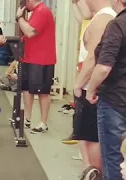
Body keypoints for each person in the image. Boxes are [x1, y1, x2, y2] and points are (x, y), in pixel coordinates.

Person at [73, 0, 116, 178]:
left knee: (94, 141)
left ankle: (96, 173)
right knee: (85, 132)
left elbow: (94, 58)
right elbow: (84, 14)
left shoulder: (104, 19)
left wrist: (79, 84)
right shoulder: (102, 17)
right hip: (93, 87)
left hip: (93, 88)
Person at [86, 0, 126, 179]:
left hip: (115, 100)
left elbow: (103, 67)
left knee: (111, 157)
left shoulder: (117, 25)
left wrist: (90, 89)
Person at [16, 0, 56, 134]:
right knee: (27, 89)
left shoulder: (42, 11)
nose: (24, 6)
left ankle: (43, 123)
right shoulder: (35, 12)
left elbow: (30, 32)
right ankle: (27, 119)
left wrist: (19, 18)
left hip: (41, 59)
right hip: (30, 57)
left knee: (42, 91)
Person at [62, 0, 93, 147]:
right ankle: (78, 132)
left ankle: (81, 134)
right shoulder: (90, 22)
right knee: (79, 102)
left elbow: (87, 13)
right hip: (83, 59)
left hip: (89, 61)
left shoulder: (99, 14)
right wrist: (74, 4)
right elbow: (82, 19)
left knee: (84, 101)